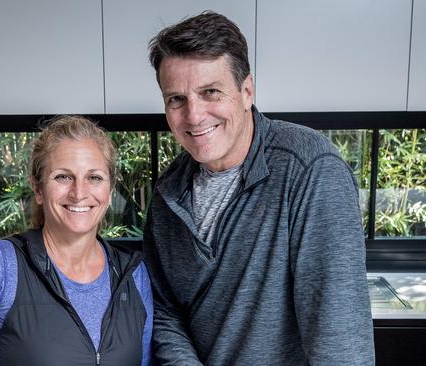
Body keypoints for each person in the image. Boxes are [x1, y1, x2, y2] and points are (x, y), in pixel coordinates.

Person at [144, 11, 375, 365]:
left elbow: (338, 335)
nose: (193, 115)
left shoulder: (310, 170)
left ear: (246, 90)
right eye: (177, 99)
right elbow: (165, 309)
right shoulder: (167, 195)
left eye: (210, 92)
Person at [0, 116, 153, 366]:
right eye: (63, 177)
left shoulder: (134, 274)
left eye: (94, 177)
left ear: (109, 190)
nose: (79, 193)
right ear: (38, 189)